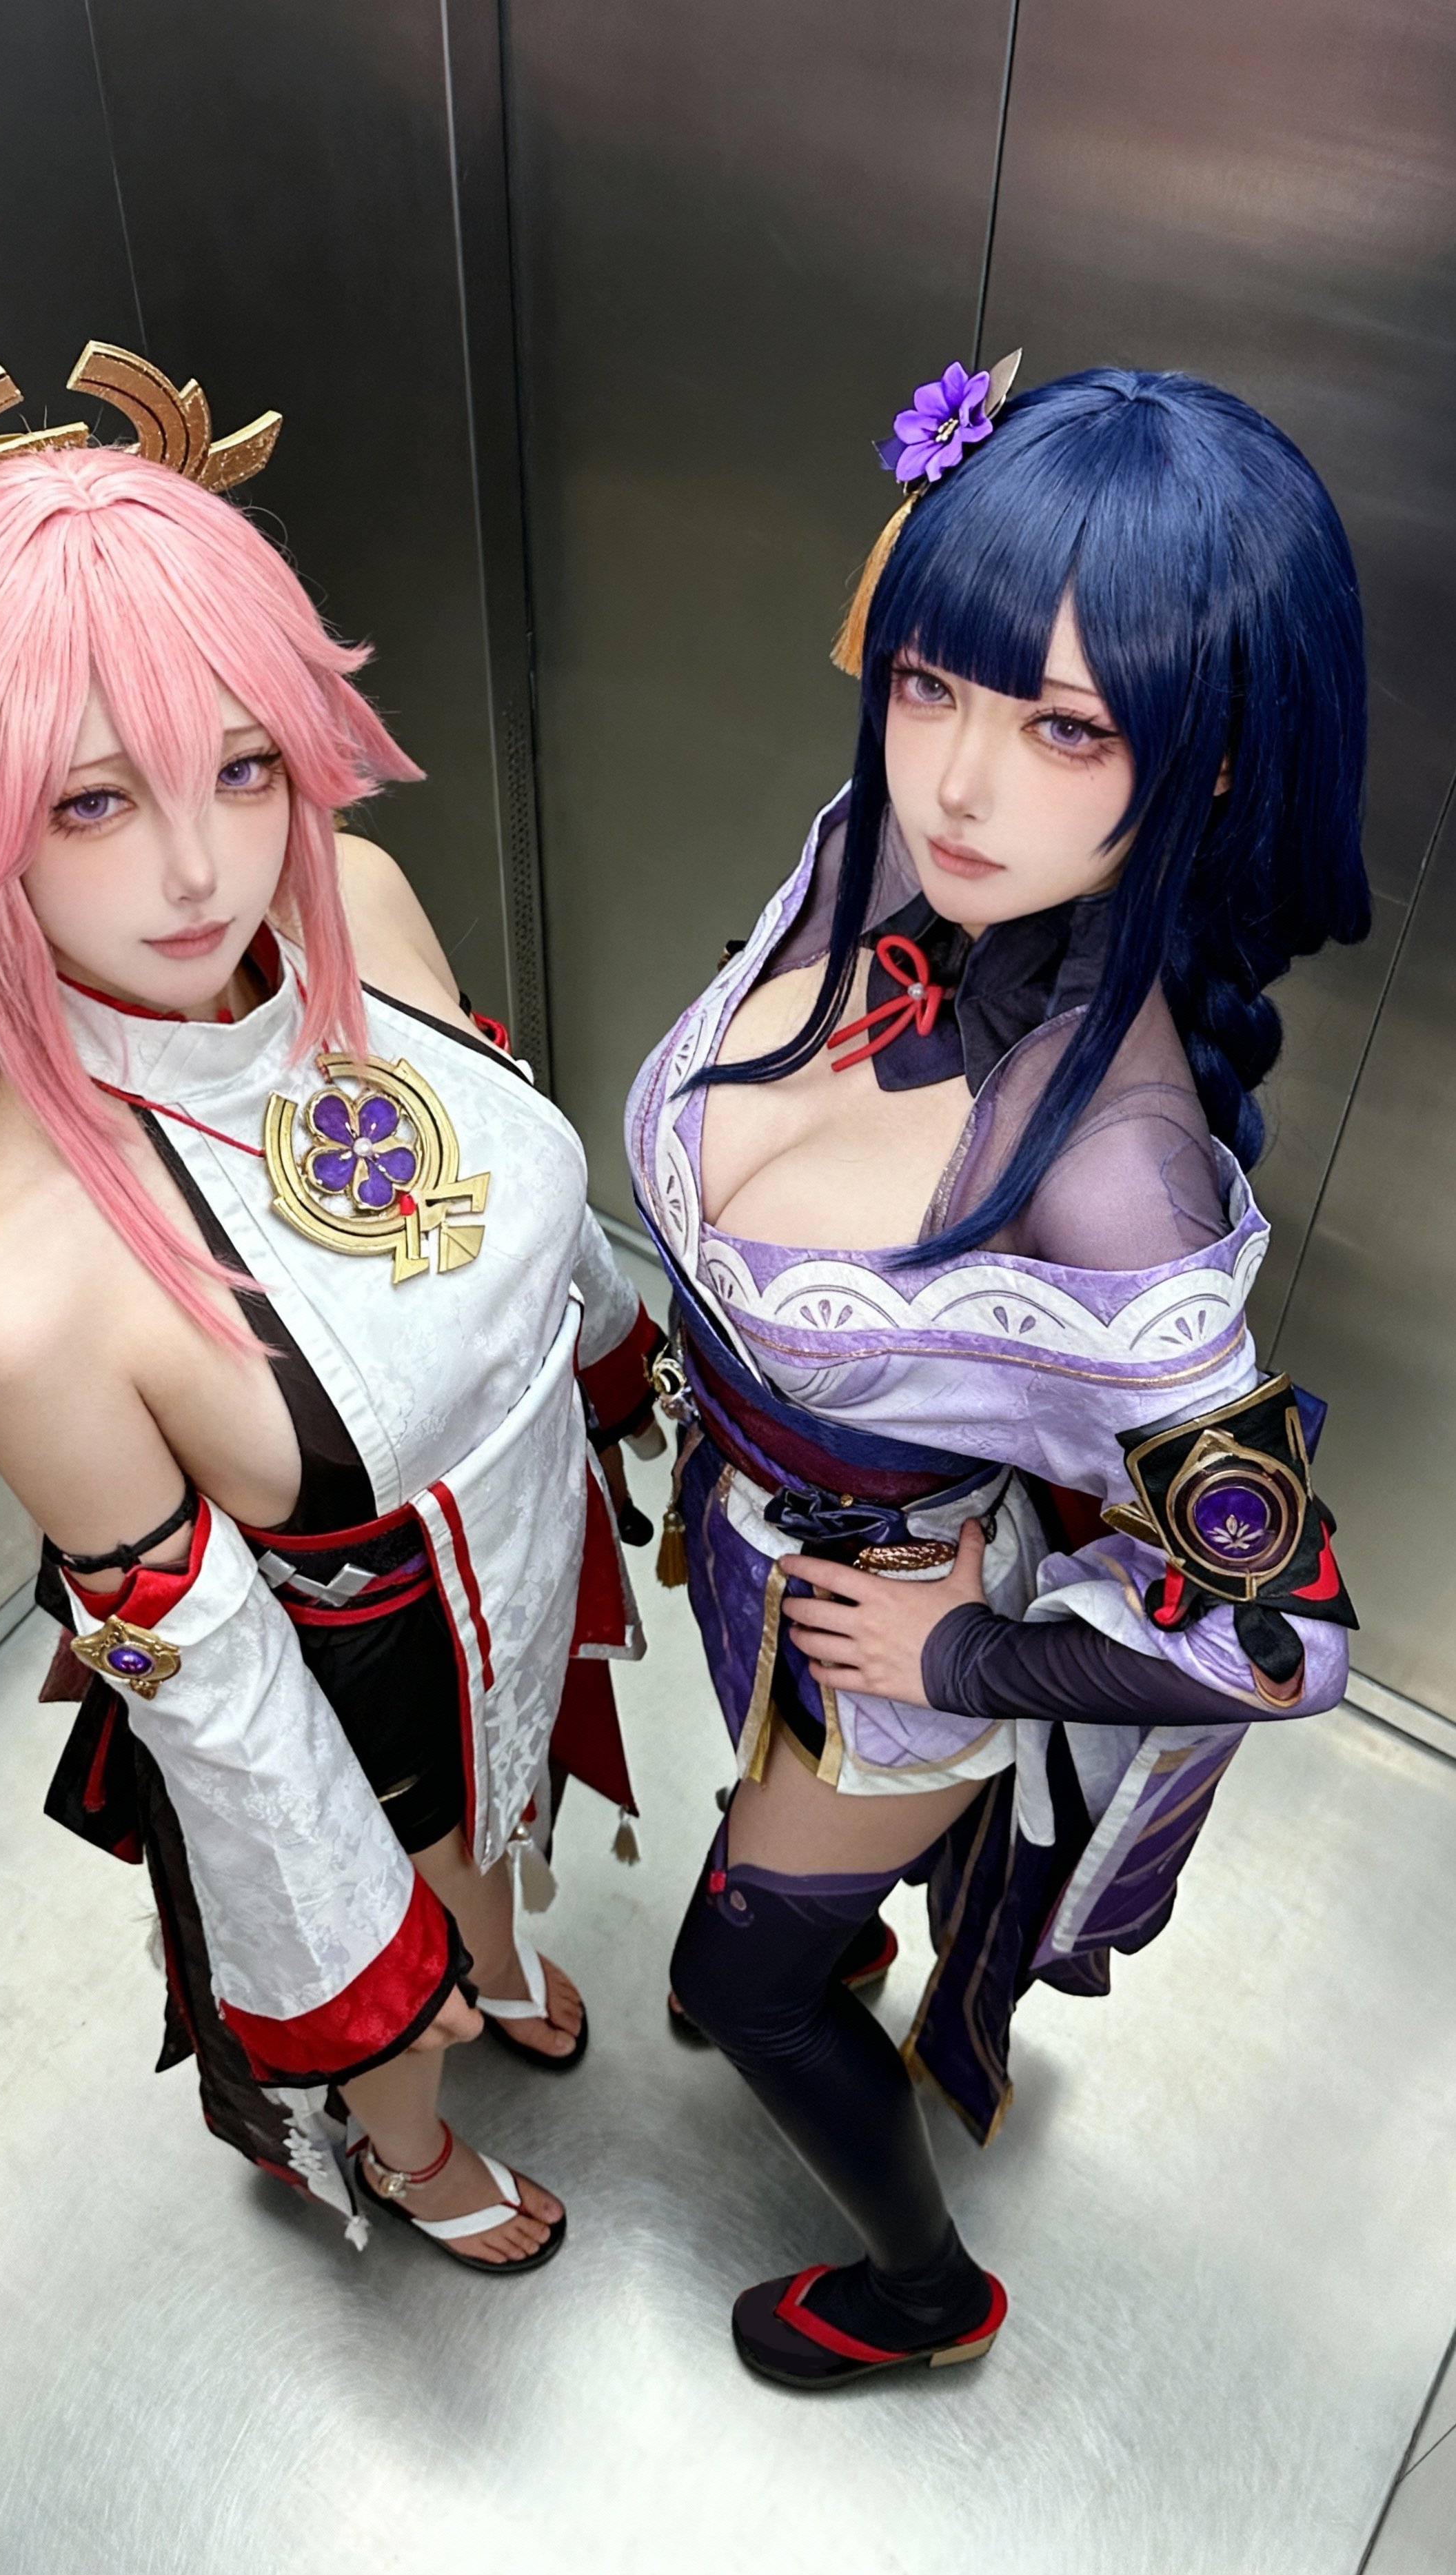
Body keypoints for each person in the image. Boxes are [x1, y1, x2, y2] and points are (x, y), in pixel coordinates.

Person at [0, 344, 658, 2272]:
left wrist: (614, 1380)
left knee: (497, 1857)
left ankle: (494, 1955)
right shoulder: (14, 1279)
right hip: (335, 1691)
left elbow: (520, 1207)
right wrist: (357, 1973)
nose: (196, 868)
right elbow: (236, 1729)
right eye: (90, 801)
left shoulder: (356, 901)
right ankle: (410, 2153)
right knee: (390, 1959)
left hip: (522, 1549)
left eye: (242, 767)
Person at [629, 361, 1367, 2381]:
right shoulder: (896, 848)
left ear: (1209, 761)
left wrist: (967, 1653)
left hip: (887, 1649)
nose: (957, 782)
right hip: (749, 1558)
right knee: (765, 1890)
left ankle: (922, 2297)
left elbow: (1285, 1645)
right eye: (932, 682)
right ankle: (822, 1905)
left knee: (743, 1989)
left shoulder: (1117, 1178)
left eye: (1066, 729)